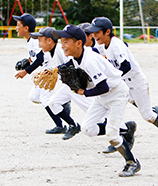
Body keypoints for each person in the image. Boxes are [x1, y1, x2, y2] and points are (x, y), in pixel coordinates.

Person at [52, 24, 141, 177]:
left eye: (66, 41)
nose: (62, 45)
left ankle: (132, 162)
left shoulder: (89, 61)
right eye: (62, 41)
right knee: (87, 129)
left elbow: (104, 87)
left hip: (116, 94)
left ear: (78, 43)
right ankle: (126, 128)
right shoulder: (78, 55)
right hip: (103, 95)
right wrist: (54, 70)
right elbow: (69, 65)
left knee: (112, 135)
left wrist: (82, 92)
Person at [85, 17, 158, 155]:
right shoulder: (103, 45)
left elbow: (126, 65)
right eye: (92, 33)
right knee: (113, 105)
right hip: (123, 83)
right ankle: (122, 134)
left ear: (107, 32)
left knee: (147, 115)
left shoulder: (116, 44)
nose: (94, 36)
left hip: (135, 82)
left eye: (97, 32)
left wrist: (112, 76)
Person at [14, 27, 74, 136]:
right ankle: (68, 120)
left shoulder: (60, 50)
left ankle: (65, 124)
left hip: (77, 84)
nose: (39, 44)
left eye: (40, 40)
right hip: (67, 82)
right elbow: (40, 59)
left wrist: (56, 69)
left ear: (49, 40)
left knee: (47, 99)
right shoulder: (48, 51)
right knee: (35, 97)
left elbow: (72, 63)